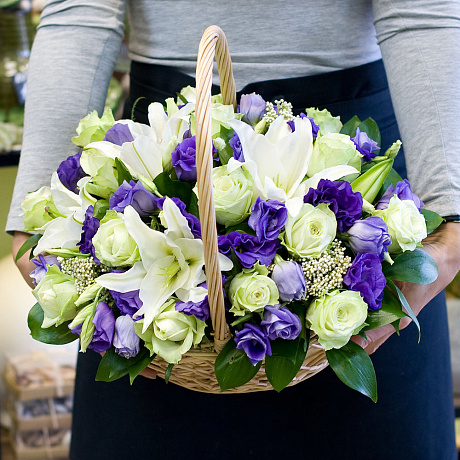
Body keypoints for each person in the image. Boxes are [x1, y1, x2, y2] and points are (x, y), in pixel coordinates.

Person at [7, 1, 460, 458]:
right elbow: (81, 9)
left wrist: (452, 216)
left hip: (343, 163)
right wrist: (39, 222)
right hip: (166, 154)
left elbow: (422, 11)